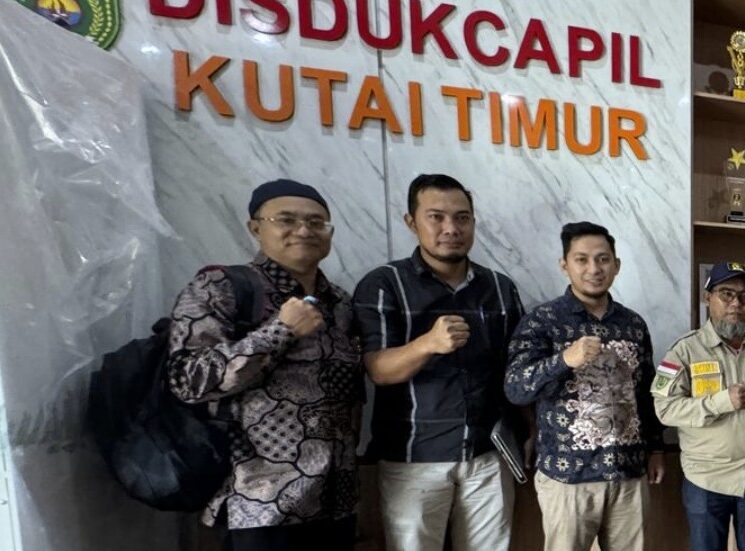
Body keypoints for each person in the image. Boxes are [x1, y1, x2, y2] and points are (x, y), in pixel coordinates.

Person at [166, 179, 362, 550]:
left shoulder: (340, 303)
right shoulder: (221, 286)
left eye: (316, 222)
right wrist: (280, 331)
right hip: (258, 505)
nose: (303, 230)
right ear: (255, 228)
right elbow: (188, 381)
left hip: (336, 502)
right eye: (286, 220)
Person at [352, 174, 527, 551]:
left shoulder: (500, 288)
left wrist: (531, 431)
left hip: (488, 453)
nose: (451, 228)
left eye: (462, 218)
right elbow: (378, 370)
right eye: (436, 217)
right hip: (413, 457)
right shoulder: (384, 284)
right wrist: (426, 344)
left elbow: (518, 370)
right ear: (411, 222)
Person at [505, 222, 665, 551]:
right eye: (582, 259)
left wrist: (656, 449)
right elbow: (516, 388)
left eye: (603, 259)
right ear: (564, 265)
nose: (594, 269)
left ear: (616, 265)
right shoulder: (542, 320)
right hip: (569, 477)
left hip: (629, 472)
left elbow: (646, 392)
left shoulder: (633, 324)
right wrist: (564, 359)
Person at [654, 261, 745, 551]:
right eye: (726, 294)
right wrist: (720, 402)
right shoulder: (685, 350)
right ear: (707, 297)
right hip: (707, 478)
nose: (736, 303)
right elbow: (664, 409)